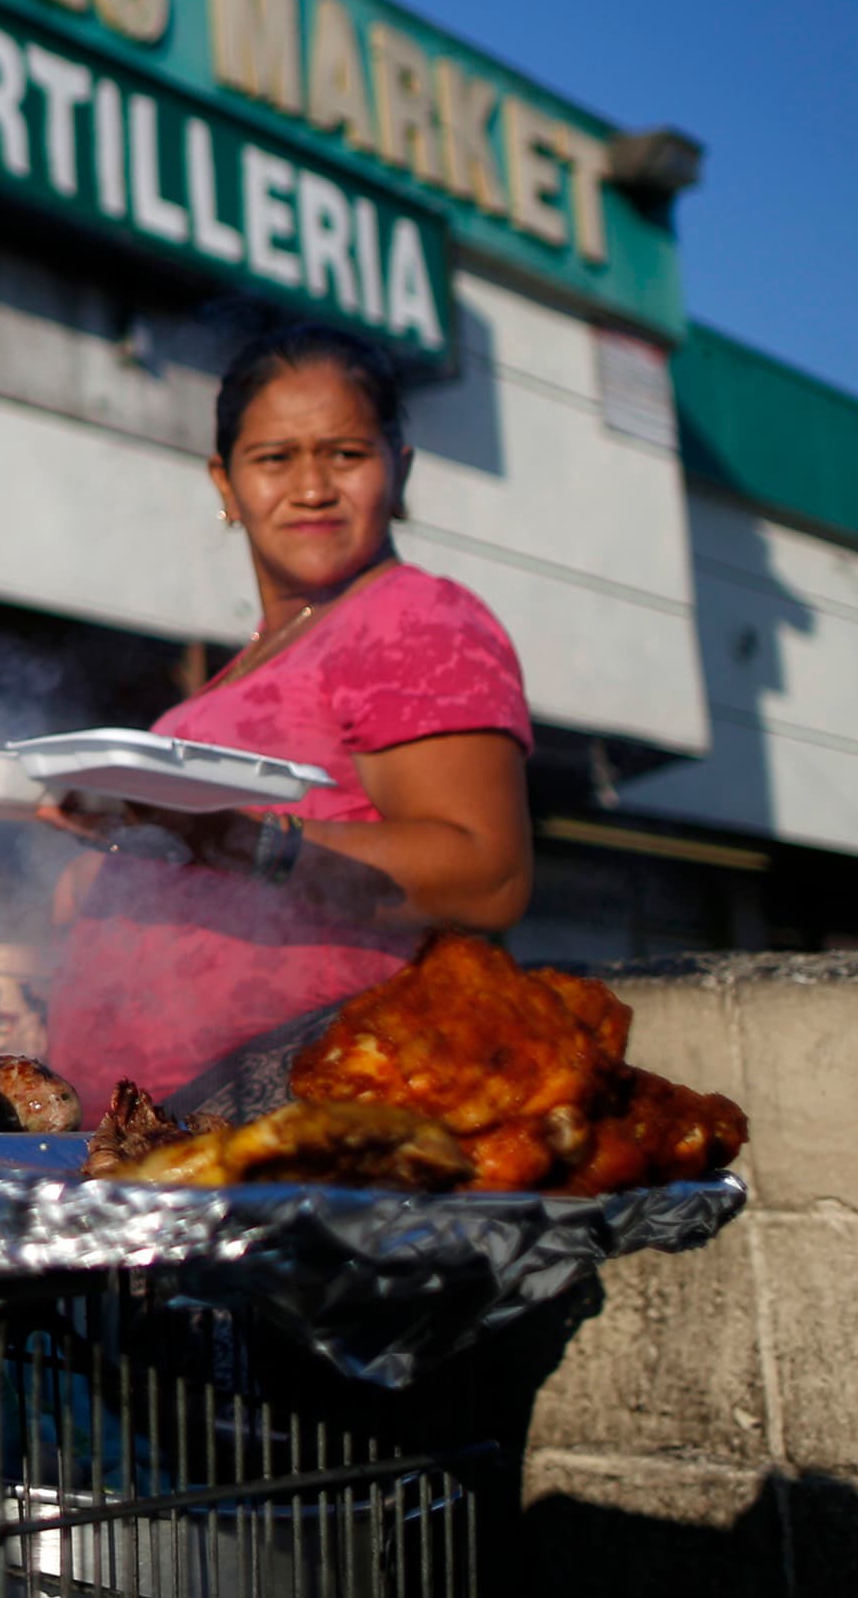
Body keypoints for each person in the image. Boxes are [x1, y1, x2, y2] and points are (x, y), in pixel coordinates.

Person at [41, 321, 533, 1105]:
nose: (311, 488)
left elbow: (486, 874)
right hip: (149, 1143)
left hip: (296, 1140)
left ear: (398, 472)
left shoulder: (415, 619)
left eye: (346, 454)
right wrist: (99, 870)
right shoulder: (248, 664)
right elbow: (195, 854)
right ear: (226, 486)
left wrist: (231, 839)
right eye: (274, 459)